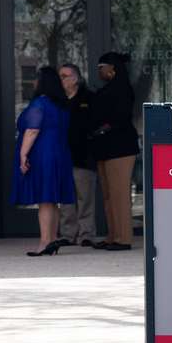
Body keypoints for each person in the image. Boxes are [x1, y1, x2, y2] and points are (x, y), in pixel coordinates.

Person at [11, 66, 76, 256]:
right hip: (60, 154)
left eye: (36, 79)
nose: (34, 82)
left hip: (43, 155)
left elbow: (32, 130)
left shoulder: (40, 103)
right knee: (52, 201)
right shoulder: (61, 105)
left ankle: (45, 242)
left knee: (45, 200)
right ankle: (53, 240)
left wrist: (23, 155)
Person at [91, 51, 140, 251]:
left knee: (120, 194)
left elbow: (120, 117)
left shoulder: (123, 89)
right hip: (105, 148)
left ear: (112, 67)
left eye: (101, 67)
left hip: (121, 148)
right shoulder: (108, 88)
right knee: (109, 195)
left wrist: (103, 128)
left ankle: (124, 238)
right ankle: (113, 235)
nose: (99, 71)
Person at [56, 63, 102, 249]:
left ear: (75, 79)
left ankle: (86, 235)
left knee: (85, 199)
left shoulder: (88, 98)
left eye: (64, 76)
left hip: (84, 157)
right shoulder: (58, 101)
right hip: (63, 157)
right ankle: (68, 234)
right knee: (67, 200)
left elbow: (95, 124)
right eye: (60, 76)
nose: (61, 80)